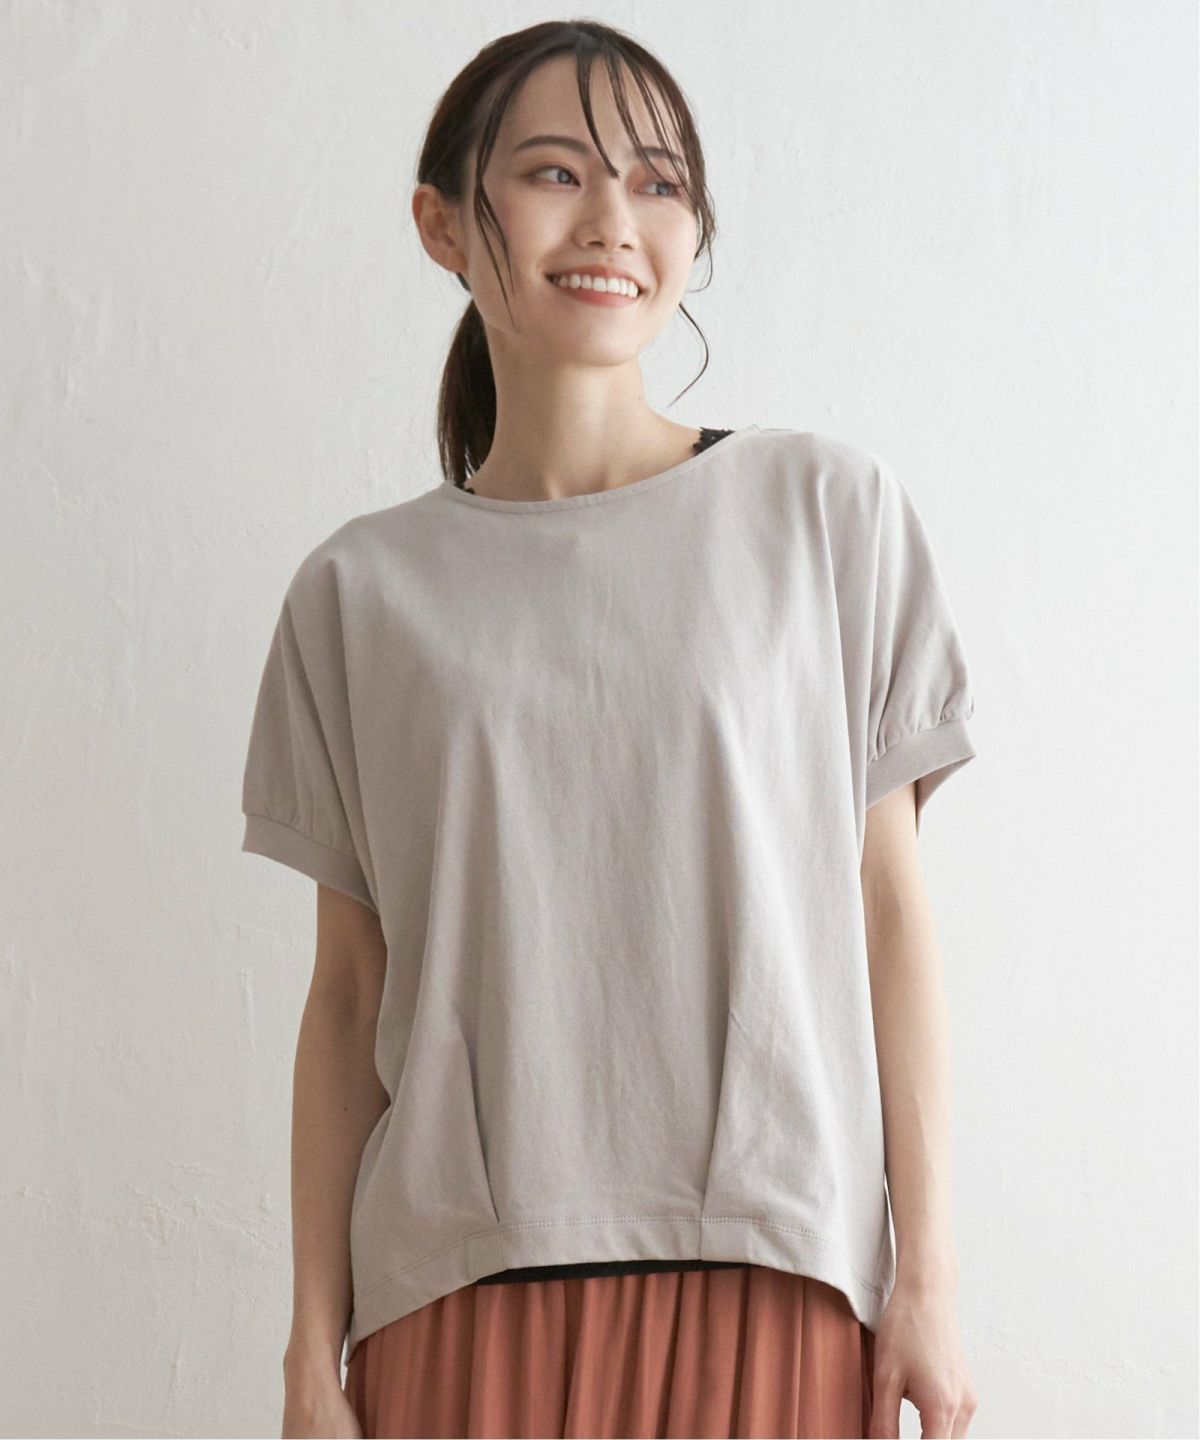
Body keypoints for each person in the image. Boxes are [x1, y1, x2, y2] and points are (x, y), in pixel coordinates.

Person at [240, 18, 981, 1440]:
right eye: (553, 173)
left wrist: (930, 1278)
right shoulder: (358, 594)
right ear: (443, 225)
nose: (610, 221)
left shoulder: (824, 518)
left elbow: (889, 914)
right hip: (456, 1298)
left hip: (775, 1276)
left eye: (656, 182)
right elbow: (345, 997)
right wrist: (307, 1353)